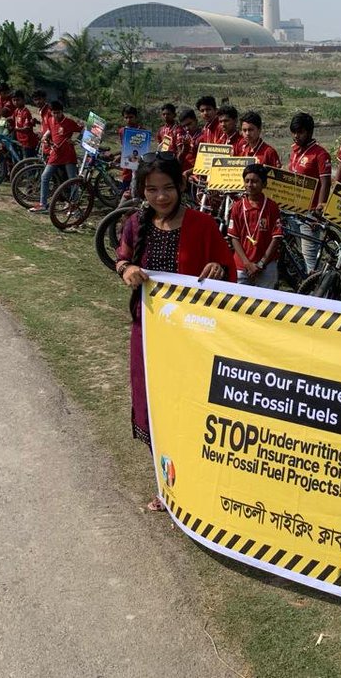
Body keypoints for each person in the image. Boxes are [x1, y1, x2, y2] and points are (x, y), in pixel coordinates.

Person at [115, 153, 235, 508]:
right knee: (154, 402)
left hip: (192, 337)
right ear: (142, 191)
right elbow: (121, 257)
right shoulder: (136, 224)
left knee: (190, 405)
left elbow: (226, 269)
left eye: (168, 188)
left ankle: (196, 481)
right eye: (152, 189)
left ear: (181, 186)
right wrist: (127, 270)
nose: (161, 197)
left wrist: (217, 268)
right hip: (149, 333)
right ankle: (166, 485)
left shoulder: (202, 225)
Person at [288, 112, 333, 271]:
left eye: (300, 132)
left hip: (310, 213)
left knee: (309, 258)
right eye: (294, 132)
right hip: (293, 210)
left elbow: (326, 182)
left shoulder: (320, 154)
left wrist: (319, 210)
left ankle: (317, 290)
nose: (296, 136)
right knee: (296, 252)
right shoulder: (294, 151)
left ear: (309, 132)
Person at [228, 164, 284, 289]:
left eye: (254, 181)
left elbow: (276, 237)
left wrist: (261, 263)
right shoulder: (237, 207)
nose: (249, 185)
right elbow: (234, 238)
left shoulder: (271, 207)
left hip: (266, 265)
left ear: (264, 184)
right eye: (246, 181)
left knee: (265, 303)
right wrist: (247, 264)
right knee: (239, 301)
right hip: (242, 265)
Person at [31, 101, 81, 213]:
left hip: (68, 155)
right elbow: (49, 130)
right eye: (54, 113)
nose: (56, 115)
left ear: (62, 111)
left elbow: (83, 130)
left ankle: (74, 206)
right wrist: (45, 137)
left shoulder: (69, 122)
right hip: (55, 154)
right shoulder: (50, 119)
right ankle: (43, 204)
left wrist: (75, 141)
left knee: (73, 180)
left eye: (58, 113)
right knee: (45, 177)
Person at [119, 105, 145, 195]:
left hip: (138, 165)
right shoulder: (122, 131)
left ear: (136, 117)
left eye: (131, 117)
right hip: (127, 166)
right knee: (126, 189)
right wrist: (119, 155)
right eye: (126, 117)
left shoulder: (141, 131)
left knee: (136, 189)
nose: (128, 120)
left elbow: (143, 150)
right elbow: (124, 147)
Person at [10, 90, 39, 158]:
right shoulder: (17, 110)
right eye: (14, 100)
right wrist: (1, 120)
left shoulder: (26, 112)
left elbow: (27, 129)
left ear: (23, 100)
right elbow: (12, 118)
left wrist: (15, 129)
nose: (16, 102)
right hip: (20, 141)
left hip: (28, 142)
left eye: (18, 100)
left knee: (27, 164)